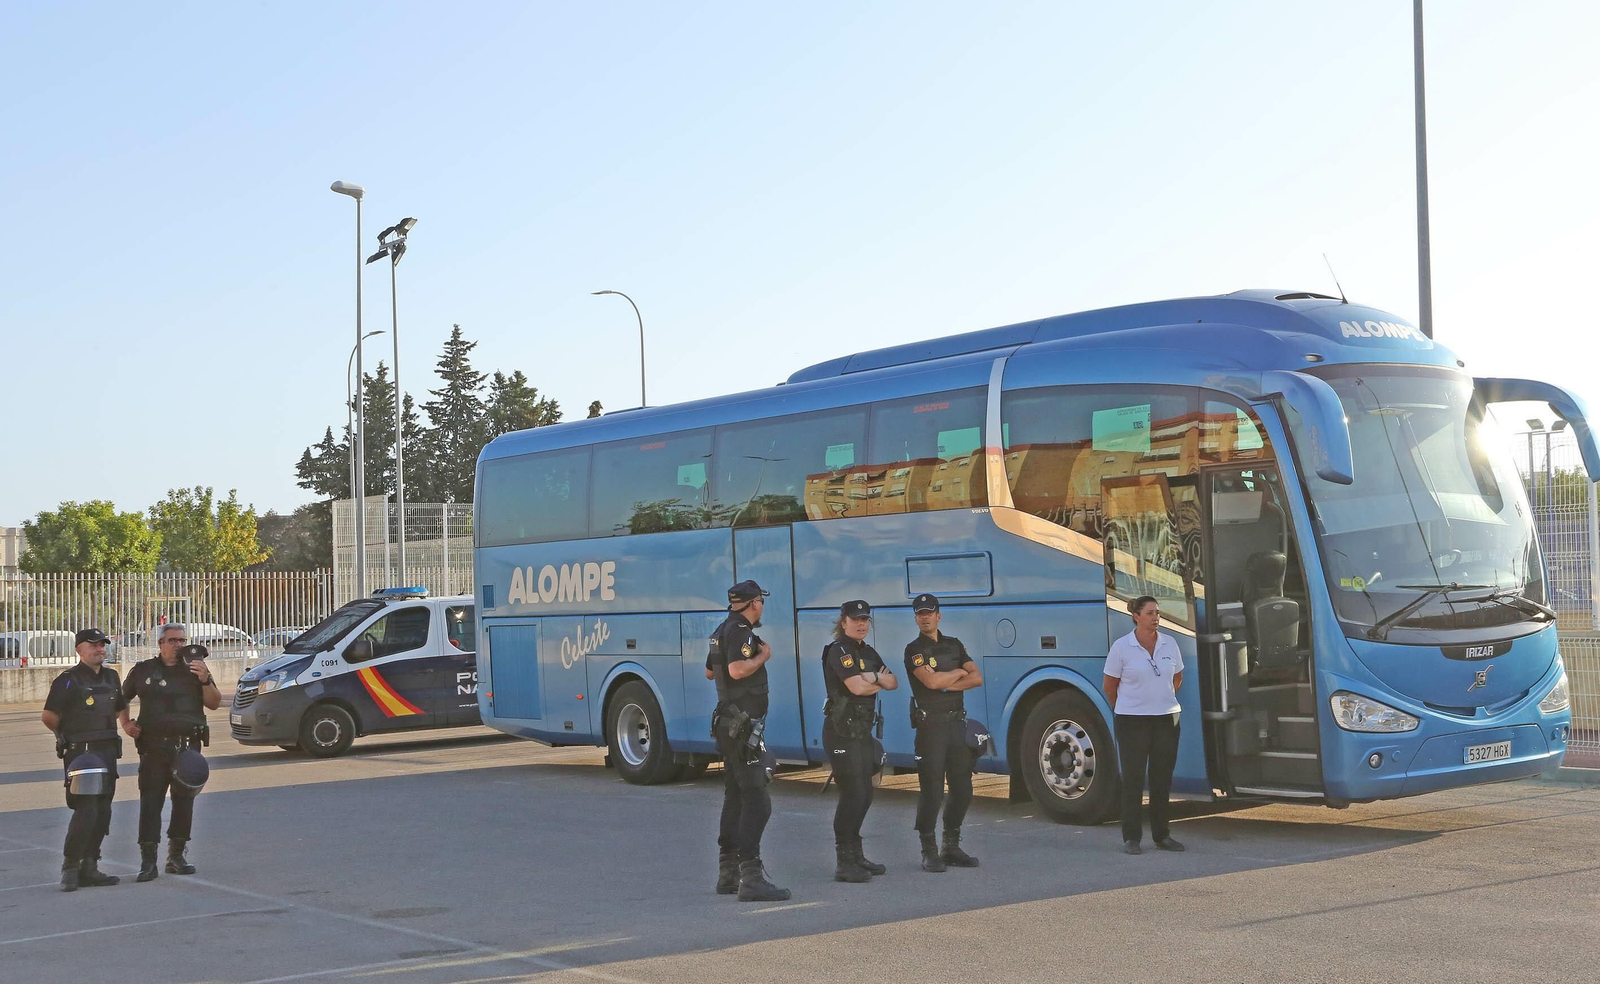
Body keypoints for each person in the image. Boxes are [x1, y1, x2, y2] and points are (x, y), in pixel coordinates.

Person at [706, 580, 791, 902]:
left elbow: (711, 673)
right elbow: (736, 669)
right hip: (742, 727)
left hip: (729, 722)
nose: (762, 608)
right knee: (757, 798)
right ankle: (751, 877)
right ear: (755, 603)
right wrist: (763, 656)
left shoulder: (721, 630)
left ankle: (728, 872)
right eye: (761, 602)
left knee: (735, 796)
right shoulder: (742, 631)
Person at [121, 626, 220, 881]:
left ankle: (176, 856)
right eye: (173, 640)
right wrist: (126, 724)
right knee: (151, 802)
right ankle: (148, 861)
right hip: (154, 747)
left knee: (184, 800)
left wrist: (205, 679)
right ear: (161, 643)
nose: (178, 645)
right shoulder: (143, 670)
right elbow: (120, 699)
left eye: (182, 640)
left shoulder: (195, 669)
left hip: (187, 747)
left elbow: (214, 702)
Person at [40, 628, 128, 892]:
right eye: (93, 645)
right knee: (86, 810)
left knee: (103, 810)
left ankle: (90, 866)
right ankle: (70, 868)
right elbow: (49, 716)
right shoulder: (68, 680)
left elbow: (118, 707)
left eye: (102, 645)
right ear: (79, 649)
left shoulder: (112, 676)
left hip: (107, 750)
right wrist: (66, 736)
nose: (100, 649)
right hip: (82, 753)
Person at [903, 593, 984, 872]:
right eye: (919, 613)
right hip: (931, 727)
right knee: (932, 792)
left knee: (962, 789)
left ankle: (951, 845)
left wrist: (946, 682)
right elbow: (931, 682)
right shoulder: (914, 650)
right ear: (916, 618)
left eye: (929, 612)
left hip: (956, 726)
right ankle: (929, 850)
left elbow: (977, 677)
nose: (924, 617)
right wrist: (956, 675)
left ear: (939, 615)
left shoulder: (954, 644)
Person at [1103, 595, 1186, 855]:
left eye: (1157, 613)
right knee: (1133, 779)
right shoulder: (1121, 647)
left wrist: (1160, 701)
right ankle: (1132, 838)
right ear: (1136, 616)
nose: (1155, 617)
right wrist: (1130, 706)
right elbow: (1110, 686)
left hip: (1166, 719)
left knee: (1162, 778)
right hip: (1131, 721)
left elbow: (1178, 678)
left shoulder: (1170, 644)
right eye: (1150, 613)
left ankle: (1162, 835)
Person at [821, 600, 897, 882]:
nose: (861, 624)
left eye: (865, 619)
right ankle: (844, 861)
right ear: (844, 622)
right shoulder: (838, 651)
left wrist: (873, 676)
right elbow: (855, 687)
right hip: (841, 731)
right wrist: (873, 681)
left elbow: (894, 682)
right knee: (852, 795)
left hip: (862, 732)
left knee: (865, 794)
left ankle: (857, 855)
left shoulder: (868, 652)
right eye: (856, 619)